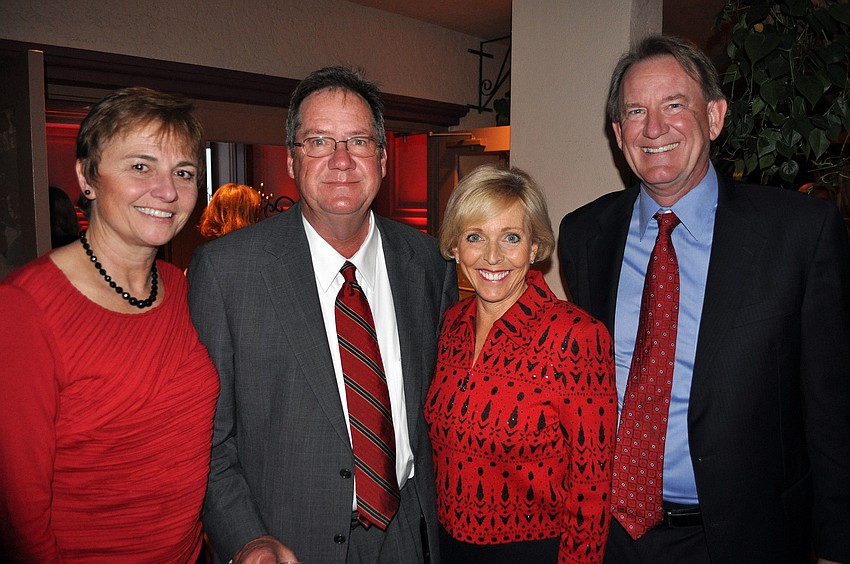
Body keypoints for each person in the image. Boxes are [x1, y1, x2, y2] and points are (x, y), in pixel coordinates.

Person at [558, 34, 850, 564]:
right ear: (619, 133)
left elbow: (832, 409)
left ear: (714, 117)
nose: (654, 128)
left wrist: (835, 546)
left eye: (674, 105)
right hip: (607, 536)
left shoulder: (799, 234)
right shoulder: (584, 234)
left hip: (741, 538)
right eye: (635, 112)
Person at [188, 66, 458, 564]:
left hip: (411, 534)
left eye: (357, 141)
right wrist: (245, 538)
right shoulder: (227, 272)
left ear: (381, 158)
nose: (341, 161)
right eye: (318, 141)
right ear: (292, 159)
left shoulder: (429, 263)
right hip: (286, 543)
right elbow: (207, 439)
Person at [0, 87, 219, 561]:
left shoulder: (182, 288)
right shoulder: (24, 308)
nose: (167, 191)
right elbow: (20, 516)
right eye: (141, 166)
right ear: (87, 176)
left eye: (183, 172)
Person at [424, 164, 617, 564]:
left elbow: (592, 486)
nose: (492, 256)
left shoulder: (576, 336)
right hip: (447, 549)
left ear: (533, 248)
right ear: (456, 247)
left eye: (510, 237)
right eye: (476, 237)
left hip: (534, 553)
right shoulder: (450, 326)